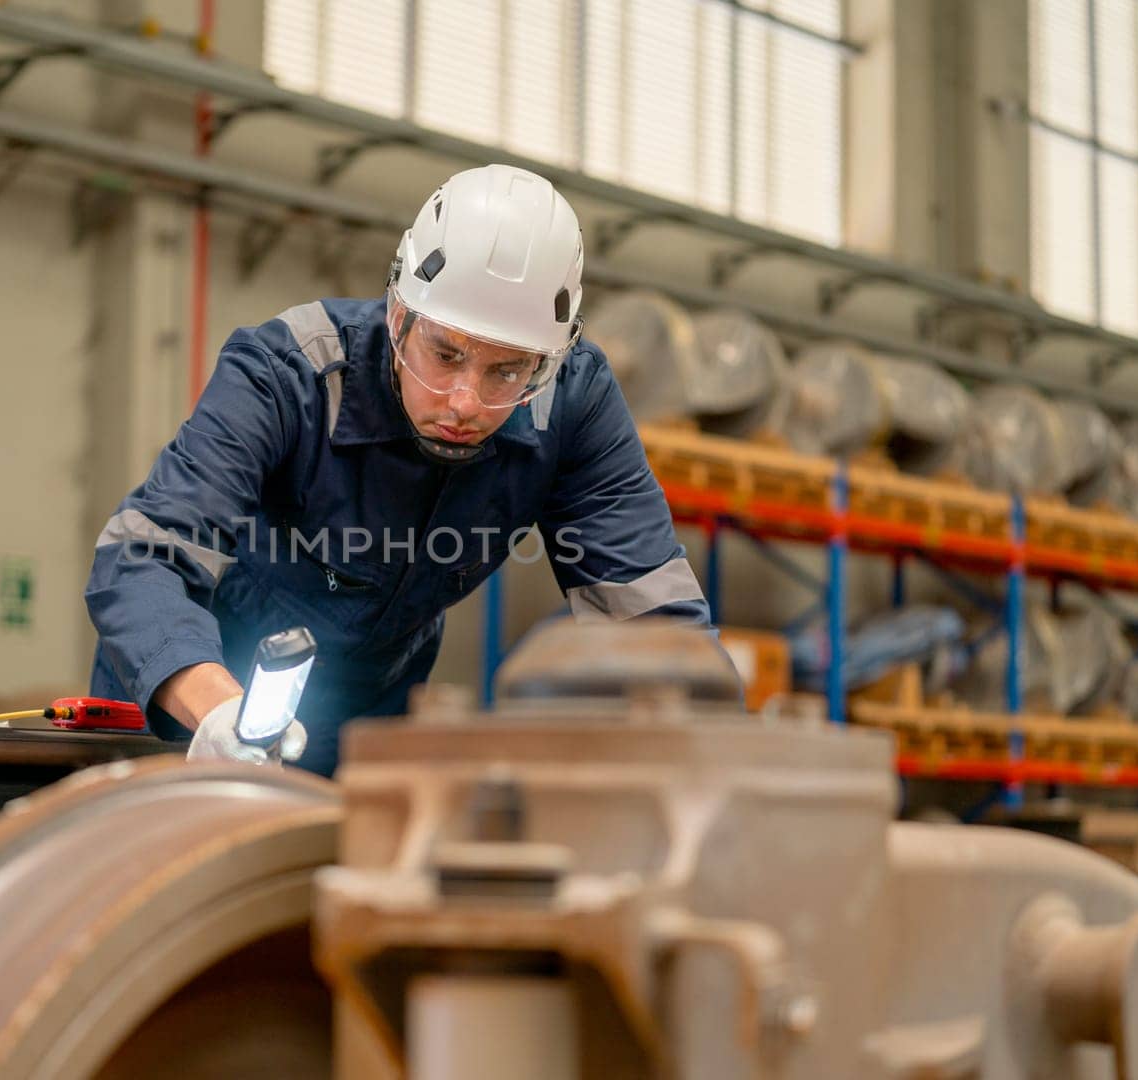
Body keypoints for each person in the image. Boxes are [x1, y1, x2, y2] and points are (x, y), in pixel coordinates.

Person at [86, 163, 723, 775]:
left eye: (507, 372)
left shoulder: (572, 404)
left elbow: (651, 618)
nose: (465, 403)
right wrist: (217, 712)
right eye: (444, 354)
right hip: (191, 697)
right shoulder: (290, 373)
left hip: (369, 715)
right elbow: (143, 556)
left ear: (548, 360)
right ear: (399, 315)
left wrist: (719, 752)